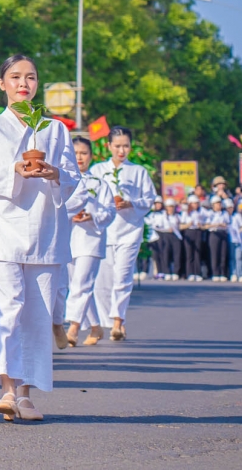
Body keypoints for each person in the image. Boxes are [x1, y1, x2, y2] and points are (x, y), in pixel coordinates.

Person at [0, 54, 80, 422]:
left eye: (30, 77)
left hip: (45, 231)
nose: (23, 84)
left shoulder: (56, 129)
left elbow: (75, 178)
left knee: (37, 314)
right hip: (2, 230)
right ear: (2, 84)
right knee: (8, 309)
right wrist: (12, 170)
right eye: (15, 77)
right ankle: (7, 389)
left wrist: (54, 173)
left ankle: (27, 392)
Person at [91, 126, 156, 341]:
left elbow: (148, 200)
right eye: (117, 146)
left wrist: (131, 203)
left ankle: (118, 320)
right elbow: (88, 197)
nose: (121, 150)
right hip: (104, 231)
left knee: (123, 276)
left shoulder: (139, 172)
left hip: (129, 231)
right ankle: (105, 323)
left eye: (125, 146)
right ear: (108, 146)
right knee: (103, 280)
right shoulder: (98, 171)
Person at [60, 136, 116, 346]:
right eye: (75, 153)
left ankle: (72, 328)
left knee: (81, 285)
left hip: (91, 239)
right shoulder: (62, 181)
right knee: (77, 285)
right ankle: (95, 327)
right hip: (68, 238)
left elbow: (110, 212)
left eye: (84, 153)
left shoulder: (99, 184)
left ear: (91, 156)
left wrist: (93, 215)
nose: (80, 157)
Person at [151, 199, 183, 281]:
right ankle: (167, 272)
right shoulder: (162, 215)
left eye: (172, 206)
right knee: (166, 254)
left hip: (176, 236)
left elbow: (181, 225)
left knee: (177, 254)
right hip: (165, 235)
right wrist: (167, 229)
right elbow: (158, 226)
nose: (170, 208)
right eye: (169, 206)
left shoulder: (177, 215)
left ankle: (176, 272)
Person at [203, 196, 231, 281]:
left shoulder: (224, 213)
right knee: (214, 254)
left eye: (219, 203)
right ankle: (215, 273)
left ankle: (222, 273)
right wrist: (217, 224)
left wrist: (223, 225)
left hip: (223, 233)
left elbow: (228, 223)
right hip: (214, 233)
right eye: (217, 203)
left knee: (223, 254)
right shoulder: (210, 213)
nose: (219, 205)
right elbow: (206, 226)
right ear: (213, 205)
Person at [178, 195, 204, 281]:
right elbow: (181, 225)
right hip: (189, 232)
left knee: (197, 253)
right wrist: (188, 224)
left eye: (197, 203)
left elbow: (204, 223)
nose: (195, 205)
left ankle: (198, 273)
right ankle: (190, 273)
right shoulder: (185, 213)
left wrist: (201, 225)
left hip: (198, 232)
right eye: (193, 203)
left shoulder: (200, 212)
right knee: (189, 254)